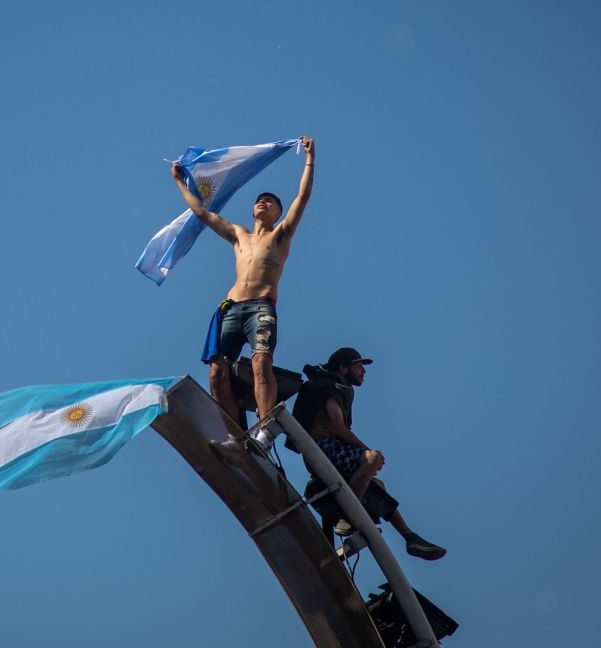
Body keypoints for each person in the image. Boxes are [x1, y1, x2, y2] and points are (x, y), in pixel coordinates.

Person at [170, 137, 315, 427]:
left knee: (261, 363)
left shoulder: (281, 235)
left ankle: (264, 426)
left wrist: (310, 159)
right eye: (260, 199)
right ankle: (233, 429)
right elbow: (201, 213)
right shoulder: (239, 235)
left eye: (271, 201)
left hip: (260, 307)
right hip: (231, 308)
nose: (264, 201)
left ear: (277, 213)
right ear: (253, 210)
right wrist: (180, 182)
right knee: (216, 372)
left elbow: (302, 198)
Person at [292, 346, 447, 561]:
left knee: (379, 486)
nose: (363, 372)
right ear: (344, 367)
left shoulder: (340, 388)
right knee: (372, 459)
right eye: (359, 366)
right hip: (323, 449)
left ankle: (410, 537)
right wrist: (367, 453)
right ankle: (347, 516)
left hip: (328, 452)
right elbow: (338, 427)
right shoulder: (331, 386)